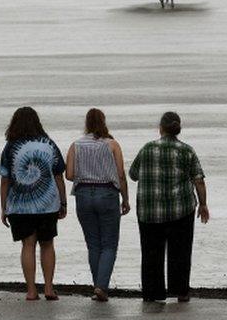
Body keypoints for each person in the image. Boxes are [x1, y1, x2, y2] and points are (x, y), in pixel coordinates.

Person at [128, 112, 209, 303]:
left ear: (161, 128)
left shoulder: (147, 148)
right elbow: (199, 181)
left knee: (150, 253)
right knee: (180, 251)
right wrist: (203, 204)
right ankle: (180, 291)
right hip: (180, 209)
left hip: (149, 211)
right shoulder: (186, 150)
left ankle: (152, 293)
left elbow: (133, 174)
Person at [0, 107, 68, 301]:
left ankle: (31, 291)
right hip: (48, 206)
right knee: (47, 244)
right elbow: (58, 176)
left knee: (27, 245)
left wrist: (3, 207)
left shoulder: (10, 147)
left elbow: (5, 180)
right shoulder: (49, 144)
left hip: (20, 207)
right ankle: (48, 288)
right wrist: (63, 203)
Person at [65, 108, 130, 302]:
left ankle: (98, 286)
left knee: (93, 244)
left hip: (83, 194)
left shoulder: (75, 145)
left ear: (86, 123)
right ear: (103, 122)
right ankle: (101, 286)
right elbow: (120, 175)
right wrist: (125, 199)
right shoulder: (112, 145)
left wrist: (86, 173)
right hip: (108, 194)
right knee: (109, 244)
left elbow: (69, 175)